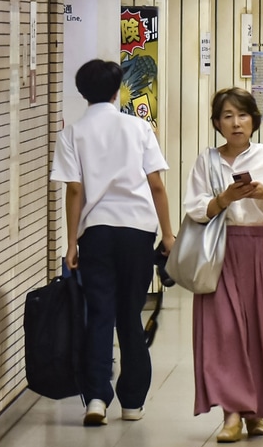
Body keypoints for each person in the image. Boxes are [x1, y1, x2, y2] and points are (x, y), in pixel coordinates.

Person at [50, 59, 177, 427]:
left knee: (100, 314)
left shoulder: (72, 134)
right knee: (130, 316)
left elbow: (75, 190)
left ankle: (95, 399)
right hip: (138, 232)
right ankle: (133, 402)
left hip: (97, 234)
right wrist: (167, 235)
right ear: (116, 90)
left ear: (82, 92)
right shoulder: (138, 128)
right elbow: (156, 186)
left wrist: (72, 242)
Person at [183, 88, 263, 442]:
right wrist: (223, 199)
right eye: (227, 116)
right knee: (225, 332)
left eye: (242, 115)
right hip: (220, 252)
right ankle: (232, 414)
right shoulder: (206, 162)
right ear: (217, 123)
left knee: (261, 333)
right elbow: (195, 209)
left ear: (254, 119)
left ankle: (256, 411)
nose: (235, 123)